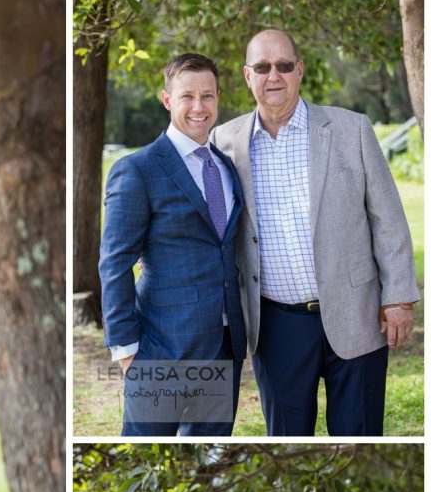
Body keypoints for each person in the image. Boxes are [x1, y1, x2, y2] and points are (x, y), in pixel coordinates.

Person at [211, 28, 419, 436]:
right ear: (247, 76)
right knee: (287, 438)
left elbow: (388, 220)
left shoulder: (351, 129)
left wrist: (398, 298)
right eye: (263, 67)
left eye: (284, 66)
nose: (275, 76)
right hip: (275, 325)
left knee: (359, 438)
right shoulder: (224, 142)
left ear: (300, 70)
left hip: (357, 314)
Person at [99, 53, 246, 436]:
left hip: (224, 345)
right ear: (167, 100)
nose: (199, 107)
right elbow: (114, 263)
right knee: (149, 455)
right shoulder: (137, 170)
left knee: (205, 459)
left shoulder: (225, 166)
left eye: (208, 96)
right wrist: (126, 350)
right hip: (160, 349)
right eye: (187, 97)